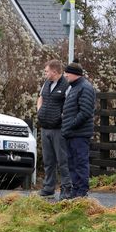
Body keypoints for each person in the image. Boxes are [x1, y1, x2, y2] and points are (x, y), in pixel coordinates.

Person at [36, 59, 72, 199]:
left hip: (59, 129)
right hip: (45, 127)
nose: (45, 73)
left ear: (55, 72)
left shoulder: (66, 85)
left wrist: (61, 116)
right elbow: (41, 98)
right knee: (48, 160)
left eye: (46, 71)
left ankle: (66, 189)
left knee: (63, 160)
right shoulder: (46, 83)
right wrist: (39, 111)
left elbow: (69, 104)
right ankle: (48, 187)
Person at [61, 61, 95, 199]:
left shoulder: (85, 88)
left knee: (80, 163)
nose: (65, 75)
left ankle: (81, 192)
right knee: (72, 164)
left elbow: (86, 112)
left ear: (74, 74)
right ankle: (76, 191)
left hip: (79, 134)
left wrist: (71, 125)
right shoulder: (74, 87)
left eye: (67, 73)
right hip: (72, 133)